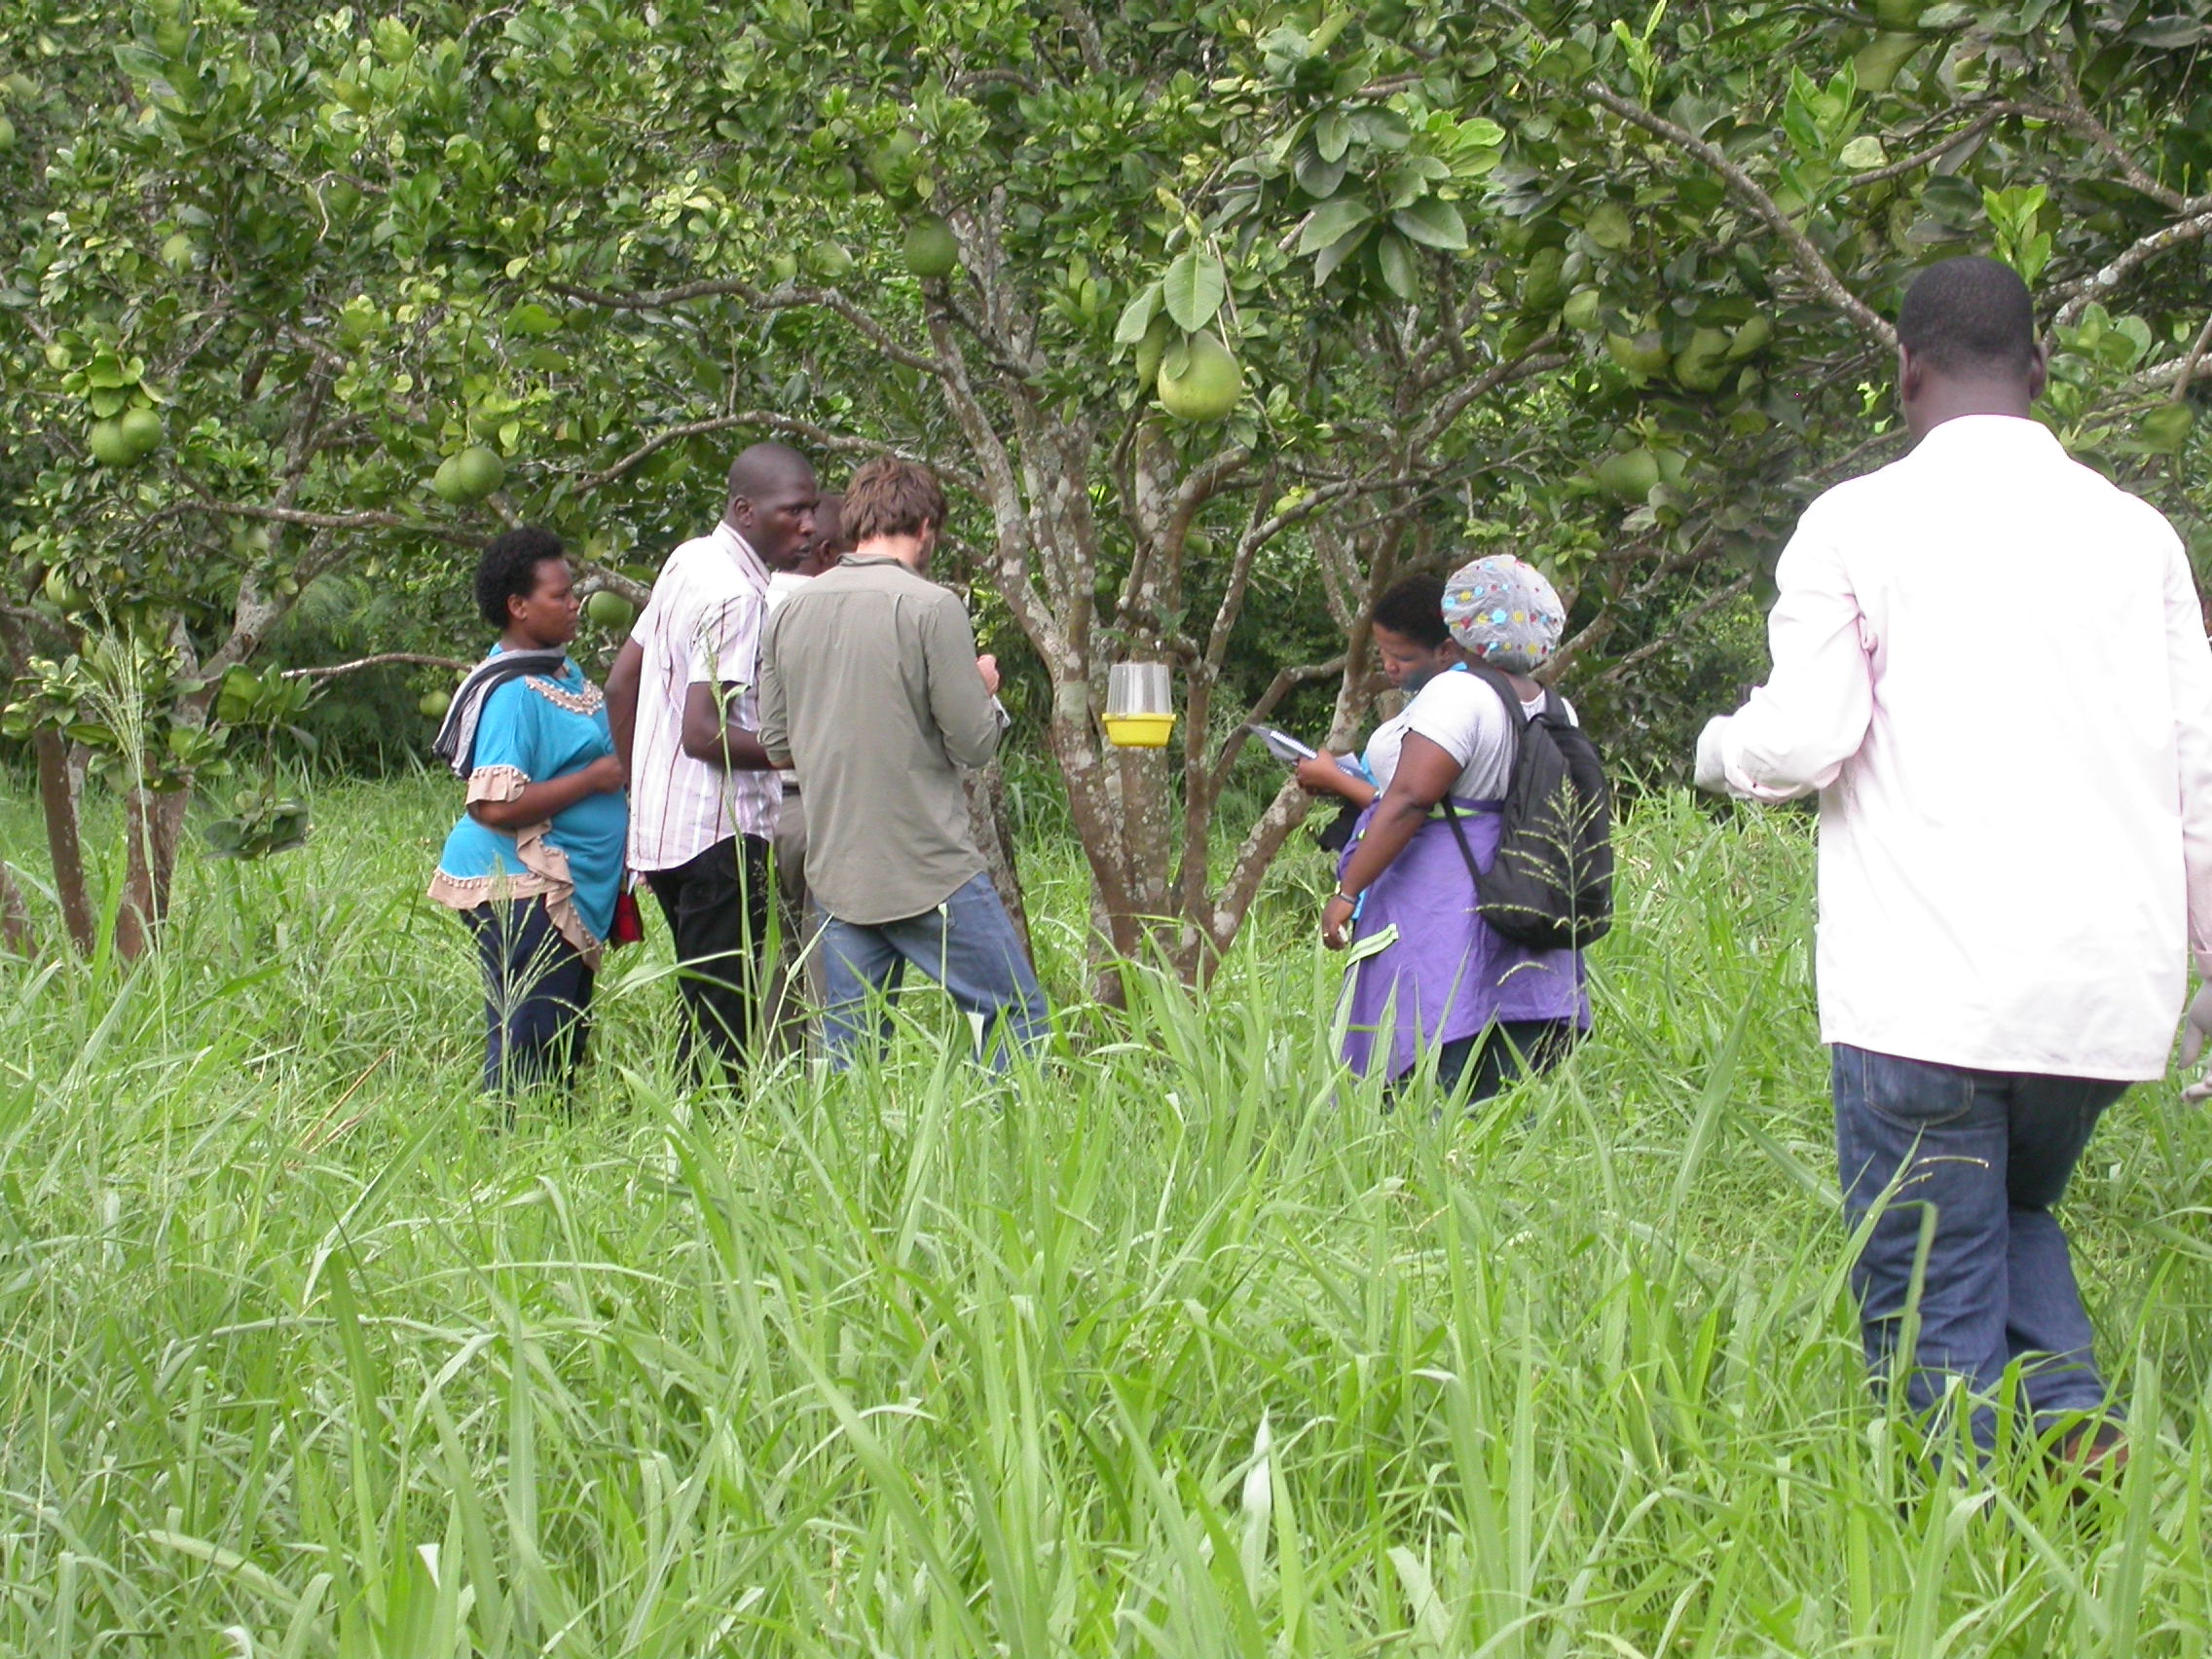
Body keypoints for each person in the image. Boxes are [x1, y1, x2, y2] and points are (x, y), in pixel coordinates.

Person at [1693, 256, 2212, 1465]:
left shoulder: (1858, 521)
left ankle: (1956, 1548)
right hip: (2098, 1003)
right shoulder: (2140, 542)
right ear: (2039, 371)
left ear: (1905, 373)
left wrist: (1719, 748)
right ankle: (2075, 1430)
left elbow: (1806, 737)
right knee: (2005, 1208)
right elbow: (2200, 775)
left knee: (1929, 1285)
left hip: (1925, 994)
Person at [757, 457, 1049, 1070]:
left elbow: (777, 743)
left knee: (849, 1060)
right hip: (929, 869)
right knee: (1015, 1020)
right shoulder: (931, 606)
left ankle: (857, 1169)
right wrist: (983, 689)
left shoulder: (787, 611)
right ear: (924, 527)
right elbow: (974, 745)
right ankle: (1017, 1157)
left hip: (837, 870)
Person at [1301, 564, 1590, 1101]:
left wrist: (1348, 889)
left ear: (1462, 627)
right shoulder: (1556, 707)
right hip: (1527, 886)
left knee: (1427, 1053)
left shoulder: (1458, 697)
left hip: (1445, 895)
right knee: (1504, 1084)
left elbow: (1411, 798)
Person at [602, 443, 819, 1085]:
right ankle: (711, 1152)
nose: (808, 525)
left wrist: (627, 797)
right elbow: (705, 734)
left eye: (812, 509)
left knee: (707, 1005)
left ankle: (693, 1143)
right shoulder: (738, 596)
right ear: (746, 510)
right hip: (718, 836)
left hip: (665, 833)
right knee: (725, 1023)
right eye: (793, 512)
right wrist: (814, 748)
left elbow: (621, 684)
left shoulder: (690, 558)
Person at [428, 528, 628, 1097]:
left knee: (559, 1033)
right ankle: (514, 1151)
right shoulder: (515, 692)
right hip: (522, 882)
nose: (574, 606)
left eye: (574, 595)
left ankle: (541, 1148)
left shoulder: (558, 673)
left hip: (557, 881)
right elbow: (493, 803)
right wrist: (595, 779)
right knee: (531, 1039)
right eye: (560, 596)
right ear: (518, 606)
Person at [761, 491, 851, 1047]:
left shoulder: (756, 600)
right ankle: (826, 1090)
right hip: (817, 805)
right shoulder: (830, 611)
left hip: (757, 810)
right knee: (826, 966)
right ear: (828, 553)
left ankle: (772, 1081)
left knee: (776, 956)